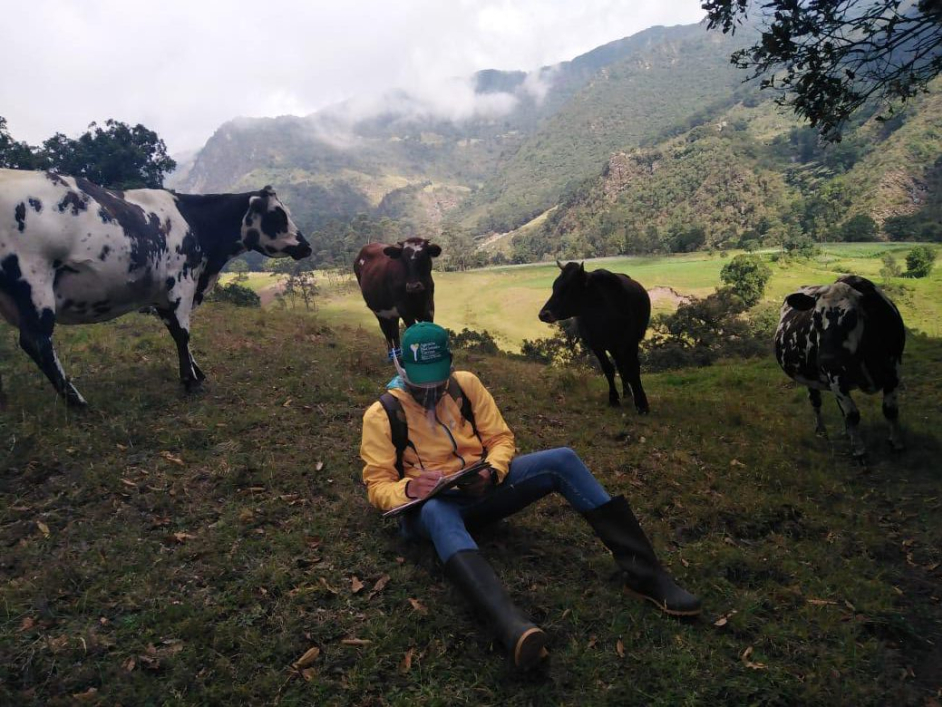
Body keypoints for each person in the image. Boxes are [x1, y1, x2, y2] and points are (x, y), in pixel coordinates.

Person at [360, 322, 701, 670]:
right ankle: (511, 626)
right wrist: (409, 488)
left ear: (451, 366)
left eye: (438, 384)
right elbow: (377, 486)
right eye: (421, 388)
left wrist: (491, 472)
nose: (430, 394)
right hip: (430, 512)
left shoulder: (467, 385)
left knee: (562, 460)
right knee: (435, 511)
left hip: (479, 490)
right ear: (402, 371)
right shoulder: (382, 414)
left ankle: (645, 574)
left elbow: (501, 439)